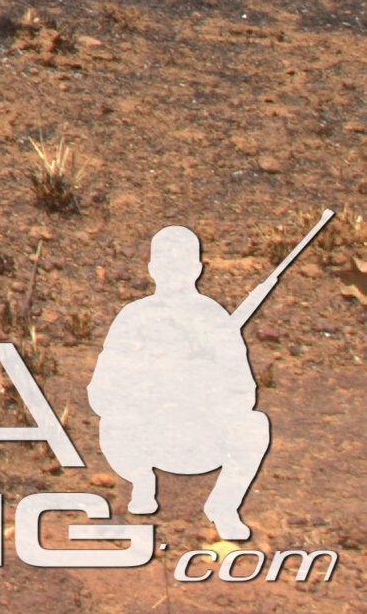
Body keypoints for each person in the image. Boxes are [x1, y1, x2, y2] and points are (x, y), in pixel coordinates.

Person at [87, 224, 277, 540]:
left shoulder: (215, 320)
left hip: (201, 438)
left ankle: (224, 505)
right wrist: (148, 388)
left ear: (197, 269)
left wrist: (202, 388)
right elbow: (100, 393)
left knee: (255, 425)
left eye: (182, 265)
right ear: (152, 269)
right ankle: (141, 482)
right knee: (112, 423)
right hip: (146, 437)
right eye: (166, 265)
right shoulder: (133, 317)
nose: (174, 273)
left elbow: (245, 393)